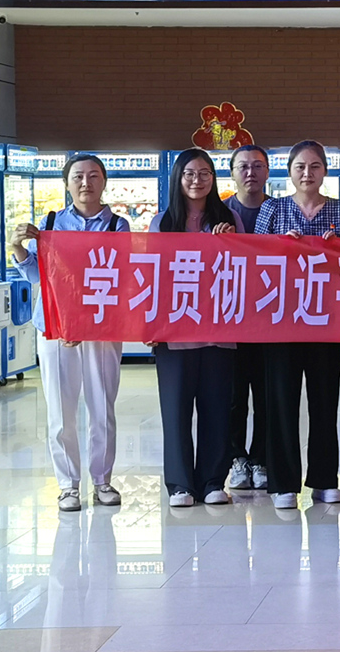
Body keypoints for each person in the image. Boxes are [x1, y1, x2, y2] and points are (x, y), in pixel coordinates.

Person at [9, 154, 129, 512]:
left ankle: (102, 480)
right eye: (78, 176)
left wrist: (84, 322)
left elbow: (120, 278)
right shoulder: (49, 224)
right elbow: (38, 276)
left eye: (93, 176)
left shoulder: (118, 227)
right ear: (66, 183)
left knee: (101, 407)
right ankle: (67, 485)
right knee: (60, 411)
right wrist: (17, 247)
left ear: (104, 182)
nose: (85, 183)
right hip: (54, 329)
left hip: (101, 330)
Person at [254, 141, 340, 509]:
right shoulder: (273, 208)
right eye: (300, 166)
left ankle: (324, 479)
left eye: (315, 166)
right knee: (281, 401)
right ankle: (283, 483)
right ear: (289, 171)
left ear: (325, 170)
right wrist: (281, 246)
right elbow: (255, 258)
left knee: (324, 401)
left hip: (326, 320)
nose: (307, 173)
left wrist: (338, 247)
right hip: (281, 319)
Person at [149, 149, 243, 508]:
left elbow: (243, 270)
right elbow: (152, 276)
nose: (197, 180)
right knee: (175, 411)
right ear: (178, 178)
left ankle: (212, 481)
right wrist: (151, 324)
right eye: (189, 173)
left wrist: (231, 241)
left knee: (217, 408)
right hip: (173, 333)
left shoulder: (229, 217)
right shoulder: (162, 222)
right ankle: (180, 484)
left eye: (205, 173)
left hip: (219, 331)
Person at [225, 144, 270, 492]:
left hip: (271, 318)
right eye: (243, 166)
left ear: (268, 171)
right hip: (231, 319)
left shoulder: (279, 211)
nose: (250, 172)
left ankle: (262, 458)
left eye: (257, 166)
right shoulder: (220, 212)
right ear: (232, 173)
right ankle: (237, 458)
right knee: (233, 395)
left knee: (267, 395)